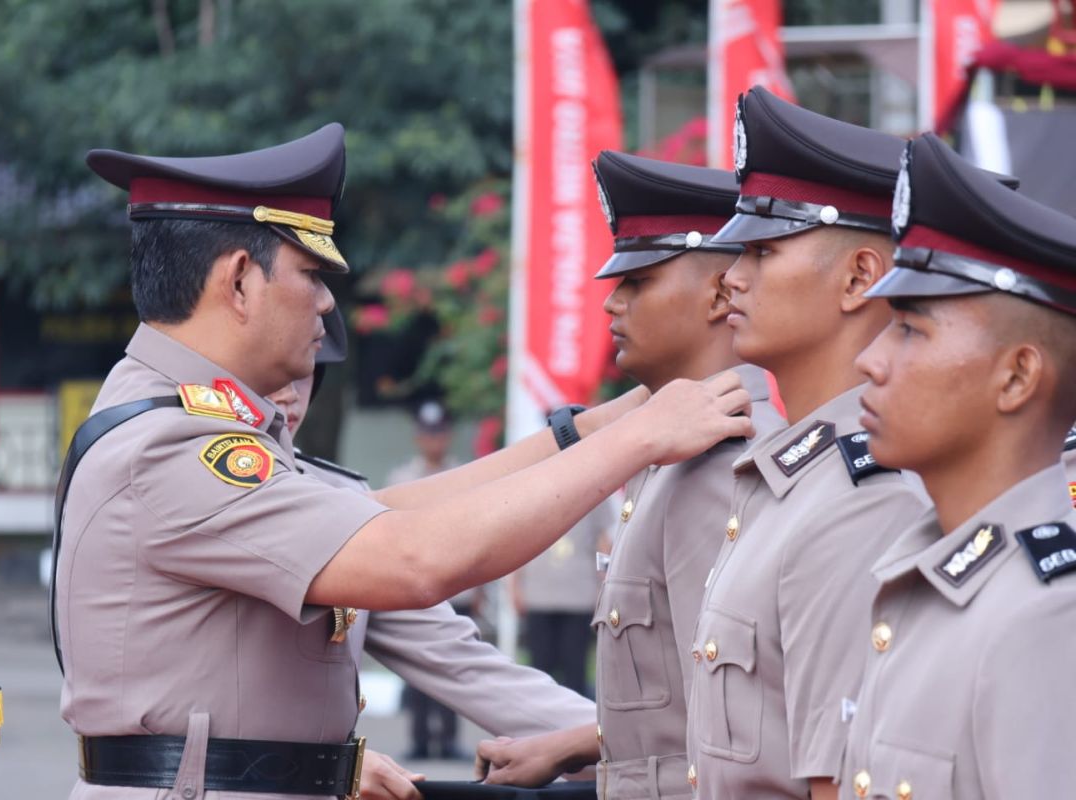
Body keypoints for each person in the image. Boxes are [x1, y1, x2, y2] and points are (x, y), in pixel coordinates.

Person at [55, 124, 755, 799]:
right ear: (240, 281)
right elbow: (410, 557)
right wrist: (634, 440)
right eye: (310, 273)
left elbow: (374, 520)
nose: (328, 303)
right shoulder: (172, 448)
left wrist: (595, 426)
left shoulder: (202, 432)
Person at [476, 152, 785, 800]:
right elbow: (678, 698)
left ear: (719, 294)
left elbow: (730, 725)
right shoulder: (675, 447)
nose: (612, 303)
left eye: (638, 282)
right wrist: (568, 745)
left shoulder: (722, 460)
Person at [681, 87, 933, 800]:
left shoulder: (862, 501)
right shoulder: (794, 474)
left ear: (859, 277)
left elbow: (835, 781)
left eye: (762, 252)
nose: (730, 279)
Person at [838, 133, 1076, 799]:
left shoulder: (1046, 617)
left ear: (1018, 376)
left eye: (911, 330)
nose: (871, 360)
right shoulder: (925, 572)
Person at [266, 333, 596, 800]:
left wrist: (610, 740)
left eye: (304, 376)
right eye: (271, 375)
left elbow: (464, 664)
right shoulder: (170, 464)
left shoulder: (336, 494)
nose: (287, 394)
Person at [386, 402, 479, 761]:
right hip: (413, 585)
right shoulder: (402, 479)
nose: (433, 441)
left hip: (456, 584)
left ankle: (450, 738)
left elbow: (475, 535)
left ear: (447, 436)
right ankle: (421, 738)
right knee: (417, 665)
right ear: (418, 438)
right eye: (427, 434)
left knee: (455, 664)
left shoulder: (464, 477)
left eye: (439, 433)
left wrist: (480, 586)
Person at [512, 495, 614, 699]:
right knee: (539, 669)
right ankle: (539, 724)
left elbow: (603, 544)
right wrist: (515, 585)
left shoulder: (595, 485)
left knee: (575, 669)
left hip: (579, 596)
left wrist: (605, 584)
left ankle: (574, 728)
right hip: (538, 595)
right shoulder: (533, 486)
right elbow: (518, 540)